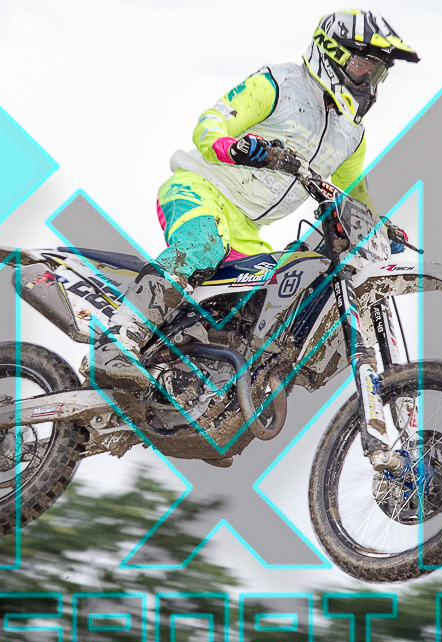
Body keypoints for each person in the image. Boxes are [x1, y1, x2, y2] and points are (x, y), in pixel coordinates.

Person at [90, 9, 420, 388]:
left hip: (245, 229)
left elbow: (355, 195)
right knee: (203, 246)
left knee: (269, 304)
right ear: (332, 54)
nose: (367, 81)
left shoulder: (352, 135)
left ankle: (192, 379)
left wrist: (380, 227)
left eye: (376, 74)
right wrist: (237, 148)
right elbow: (210, 124)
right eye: (363, 67)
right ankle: (115, 342)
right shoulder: (280, 85)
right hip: (199, 190)